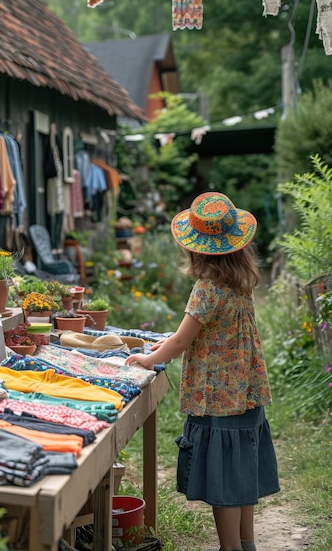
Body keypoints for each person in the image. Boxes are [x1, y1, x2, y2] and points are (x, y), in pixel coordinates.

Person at [125, 192, 280, 551]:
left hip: (218, 398)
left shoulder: (206, 289)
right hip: (246, 392)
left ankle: (229, 547)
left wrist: (150, 359)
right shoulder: (242, 282)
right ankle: (245, 543)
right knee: (241, 470)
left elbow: (180, 341)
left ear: (196, 249)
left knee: (224, 479)